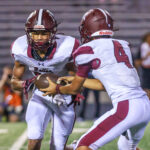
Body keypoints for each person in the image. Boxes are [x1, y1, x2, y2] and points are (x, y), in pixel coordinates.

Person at [40, 8, 150, 150]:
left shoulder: (87, 50)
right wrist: (71, 79)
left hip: (126, 107)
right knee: (126, 147)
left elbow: (75, 89)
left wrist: (56, 88)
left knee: (83, 146)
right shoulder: (122, 45)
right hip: (144, 105)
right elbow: (104, 84)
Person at [11, 9, 80, 150]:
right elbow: (14, 82)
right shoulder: (20, 48)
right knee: (34, 138)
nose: (39, 37)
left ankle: (74, 148)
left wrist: (58, 83)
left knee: (57, 147)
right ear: (28, 33)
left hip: (64, 97)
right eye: (35, 33)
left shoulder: (66, 48)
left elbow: (78, 79)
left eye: (44, 33)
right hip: (40, 95)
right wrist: (29, 83)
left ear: (53, 33)